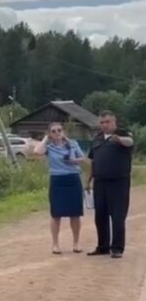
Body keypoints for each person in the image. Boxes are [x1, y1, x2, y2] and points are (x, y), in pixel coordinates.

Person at [87, 110, 134, 259]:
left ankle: (117, 248)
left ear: (114, 122)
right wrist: (88, 181)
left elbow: (130, 142)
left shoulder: (123, 134)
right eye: (102, 122)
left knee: (118, 216)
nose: (105, 125)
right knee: (100, 216)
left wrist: (119, 139)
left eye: (107, 122)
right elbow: (92, 162)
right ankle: (103, 246)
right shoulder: (97, 140)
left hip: (119, 182)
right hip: (100, 182)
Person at [34, 123, 86, 254]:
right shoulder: (49, 147)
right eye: (53, 131)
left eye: (59, 130)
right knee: (56, 213)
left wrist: (74, 160)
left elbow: (83, 158)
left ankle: (76, 242)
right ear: (50, 133)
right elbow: (36, 151)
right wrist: (46, 139)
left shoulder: (72, 144)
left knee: (75, 213)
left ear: (63, 131)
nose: (57, 133)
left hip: (73, 178)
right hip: (57, 180)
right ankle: (55, 244)